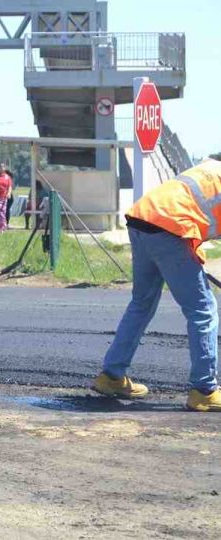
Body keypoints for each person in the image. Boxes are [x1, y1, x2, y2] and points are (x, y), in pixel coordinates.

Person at [93, 159, 221, 412]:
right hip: (170, 229)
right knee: (203, 310)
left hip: (142, 218)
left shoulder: (212, 167)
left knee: (142, 303)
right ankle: (204, 391)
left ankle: (112, 376)